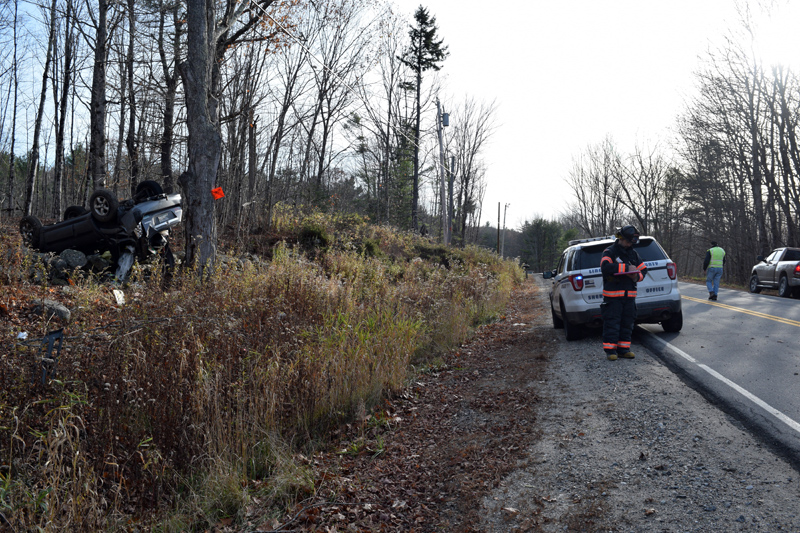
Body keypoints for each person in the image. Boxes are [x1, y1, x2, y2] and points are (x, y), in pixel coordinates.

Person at [600, 225, 648, 361]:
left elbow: (643, 271)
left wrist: (635, 276)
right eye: (628, 241)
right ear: (621, 238)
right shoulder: (610, 252)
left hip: (629, 297)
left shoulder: (633, 254)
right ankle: (611, 351)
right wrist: (626, 268)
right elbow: (605, 267)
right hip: (613, 298)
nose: (629, 244)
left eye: (631, 242)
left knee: (627, 324)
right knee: (612, 324)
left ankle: (624, 349)